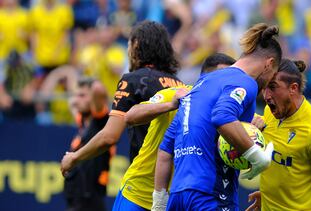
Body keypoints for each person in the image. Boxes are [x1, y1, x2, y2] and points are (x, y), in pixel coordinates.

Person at [154, 23, 282, 211]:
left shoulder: (201, 83)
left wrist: (159, 204)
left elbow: (166, 148)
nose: (268, 85)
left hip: (178, 195)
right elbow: (222, 116)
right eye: (272, 75)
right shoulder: (245, 82)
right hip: (211, 194)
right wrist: (256, 156)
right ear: (269, 64)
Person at [113, 53, 236, 211]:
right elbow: (130, 116)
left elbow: (254, 124)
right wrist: (170, 105)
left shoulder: (228, 108)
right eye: (224, 78)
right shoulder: (176, 94)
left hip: (176, 200)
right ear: (206, 77)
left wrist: (257, 123)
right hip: (138, 193)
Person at [60, 20, 183, 175]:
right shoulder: (179, 84)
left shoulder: (133, 81)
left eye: (128, 45)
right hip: (176, 178)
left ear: (136, 45)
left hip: (143, 179)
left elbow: (109, 137)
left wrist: (74, 157)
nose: (128, 51)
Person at [247, 59, 311, 211]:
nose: (266, 95)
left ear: (293, 88)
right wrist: (268, 194)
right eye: (265, 87)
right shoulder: (271, 111)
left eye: (273, 87)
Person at [63, 78, 113, 211]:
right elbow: (72, 105)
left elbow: (99, 90)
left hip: (90, 198)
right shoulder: (83, 122)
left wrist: (93, 88)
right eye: (76, 95)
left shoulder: (101, 121)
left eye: (82, 95)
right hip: (76, 198)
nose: (77, 99)